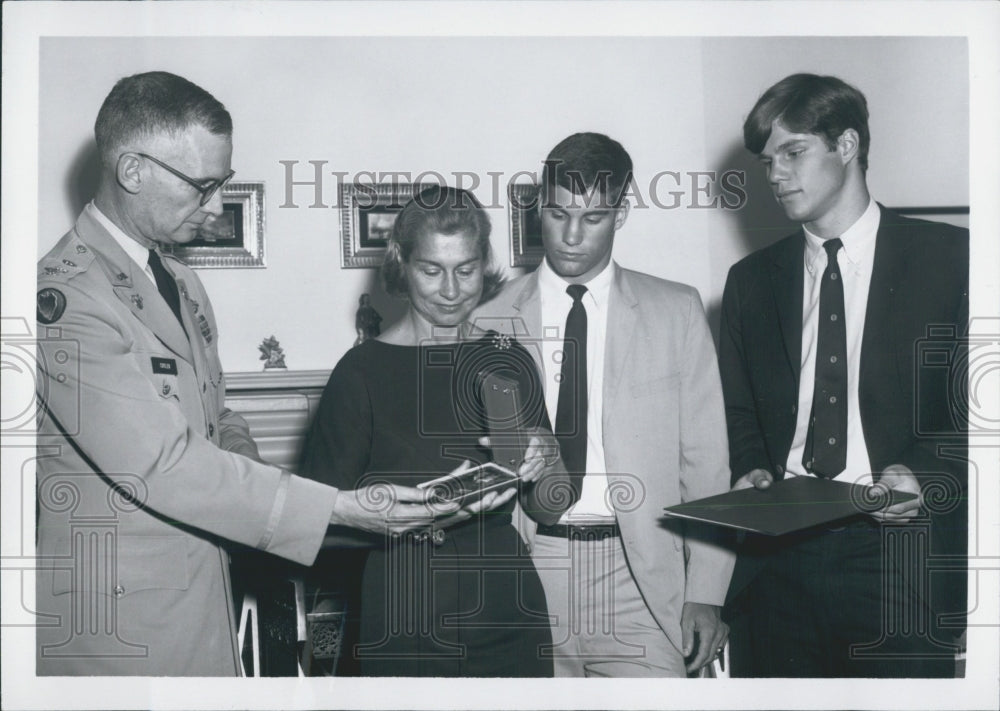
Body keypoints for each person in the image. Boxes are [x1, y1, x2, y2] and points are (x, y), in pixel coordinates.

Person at [34, 71, 462, 676]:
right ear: (132, 171)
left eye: (222, 183)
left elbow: (217, 417)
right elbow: (164, 463)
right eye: (202, 186)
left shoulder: (179, 281)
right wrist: (335, 508)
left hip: (199, 598)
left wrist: (261, 477)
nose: (214, 206)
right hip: (117, 628)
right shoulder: (65, 298)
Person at [719, 73, 968, 677]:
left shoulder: (953, 260)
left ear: (848, 145)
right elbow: (740, 410)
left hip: (896, 556)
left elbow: (978, 411)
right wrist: (751, 465)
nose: (774, 173)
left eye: (793, 151)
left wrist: (922, 472)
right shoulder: (749, 281)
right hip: (775, 562)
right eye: (766, 160)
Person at [474, 133, 734, 677]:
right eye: (557, 213)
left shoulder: (677, 311)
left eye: (592, 217)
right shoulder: (488, 320)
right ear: (537, 206)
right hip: (530, 568)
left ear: (622, 212)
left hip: (642, 576)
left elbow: (706, 466)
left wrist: (707, 590)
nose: (570, 236)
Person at [299, 185, 571, 677]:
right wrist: (399, 511)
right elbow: (317, 524)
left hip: (508, 611)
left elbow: (551, 505)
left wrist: (547, 453)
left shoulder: (507, 358)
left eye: (465, 270)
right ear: (400, 262)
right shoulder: (361, 371)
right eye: (431, 270)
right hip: (404, 612)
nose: (451, 290)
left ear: (483, 263)